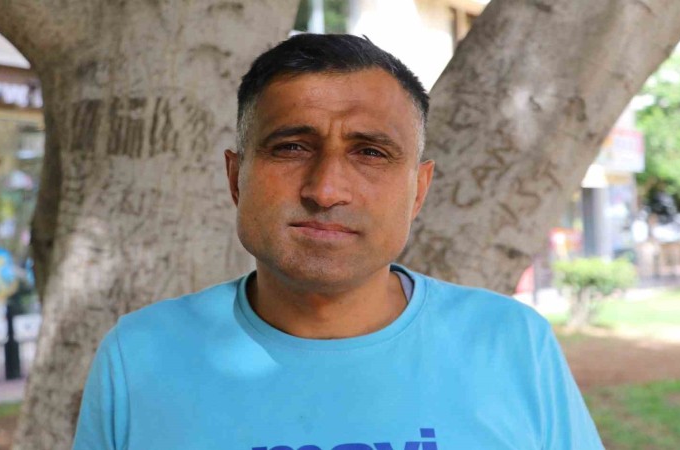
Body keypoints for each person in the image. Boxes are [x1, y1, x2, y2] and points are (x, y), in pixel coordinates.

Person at [73, 34, 603, 449]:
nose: (326, 190)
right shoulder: (139, 355)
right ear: (236, 179)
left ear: (418, 191)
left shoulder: (512, 344)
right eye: (292, 147)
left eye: (370, 152)